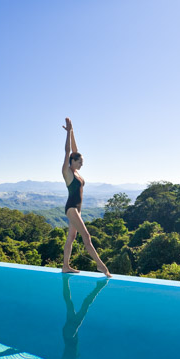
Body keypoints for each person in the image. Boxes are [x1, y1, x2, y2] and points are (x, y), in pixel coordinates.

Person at [61, 117, 112, 277]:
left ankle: (65, 266)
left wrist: (73, 130)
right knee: (87, 236)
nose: (82, 164)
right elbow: (68, 151)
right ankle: (102, 267)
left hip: (78, 209)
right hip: (71, 208)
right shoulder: (67, 171)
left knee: (72, 237)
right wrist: (68, 133)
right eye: (80, 162)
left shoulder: (76, 172)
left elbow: (74, 150)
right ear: (73, 161)